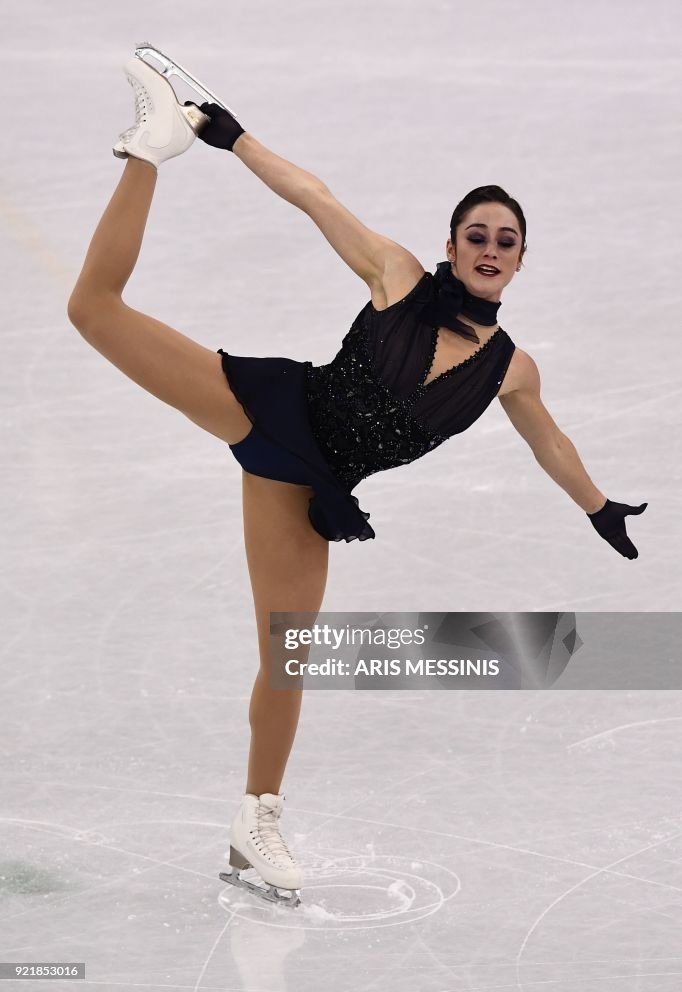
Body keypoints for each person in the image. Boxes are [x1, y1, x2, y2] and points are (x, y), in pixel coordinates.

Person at [67, 52, 647, 904]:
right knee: (93, 309)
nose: (489, 249)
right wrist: (231, 138)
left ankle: (255, 821)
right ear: (451, 244)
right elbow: (316, 197)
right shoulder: (399, 276)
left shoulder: (512, 371)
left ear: (521, 261)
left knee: (288, 652)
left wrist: (597, 507)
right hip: (271, 407)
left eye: (506, 242)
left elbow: (548, 442)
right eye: (476, 235)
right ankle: (149, 151)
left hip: (312, 489)